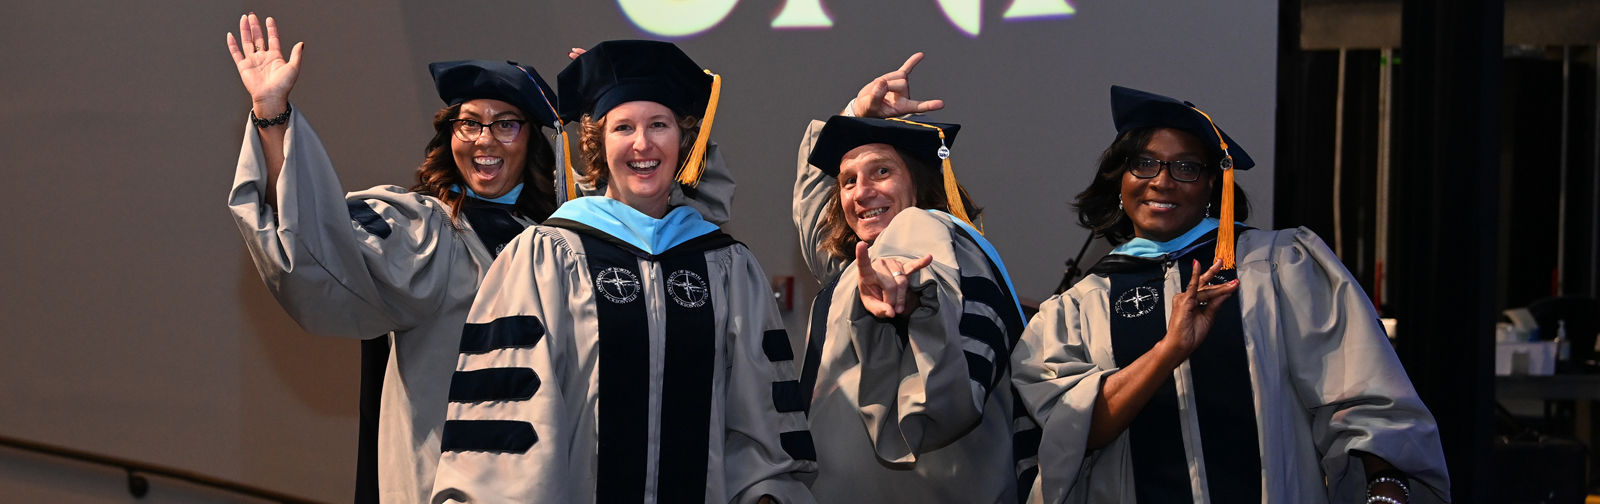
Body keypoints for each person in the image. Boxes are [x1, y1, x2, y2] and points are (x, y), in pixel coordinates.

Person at [222, 16, 736, 503]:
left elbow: (674, 225)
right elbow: (318, 242)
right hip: (445, 486)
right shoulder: (422, 229)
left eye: (506, 124)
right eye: (469, 123)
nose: (484, 139)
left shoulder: (572, 240)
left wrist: (616, 106)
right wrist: (273, 117)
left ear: (535, 139)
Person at [1011, 86, 1450, 503]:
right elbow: (1076, 430)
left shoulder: (1279, 266)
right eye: (1144, 163)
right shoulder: (1078, 307)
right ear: (1119, 181)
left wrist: (1386, 486)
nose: (1162, 182)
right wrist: (1169, 350)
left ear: (1212, 188)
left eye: (1186, 167)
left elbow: (1360, 392)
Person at [428, 40, 815, 504]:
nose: (642, 143)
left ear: (685, 141)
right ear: (597, 143)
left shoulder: (727, 267)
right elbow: (506, 418)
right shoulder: (547, 256)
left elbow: (761, 424)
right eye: (623, 127)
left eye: (659, 125)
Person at [791, 53, 1032, 503]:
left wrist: (908, 291)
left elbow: (918, 269)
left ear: (918, 184)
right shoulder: (851, 273)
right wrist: (854, 117)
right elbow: (816, 221)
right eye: (847, 181)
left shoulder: (921, 228)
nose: (861, 192)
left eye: (882, 171)